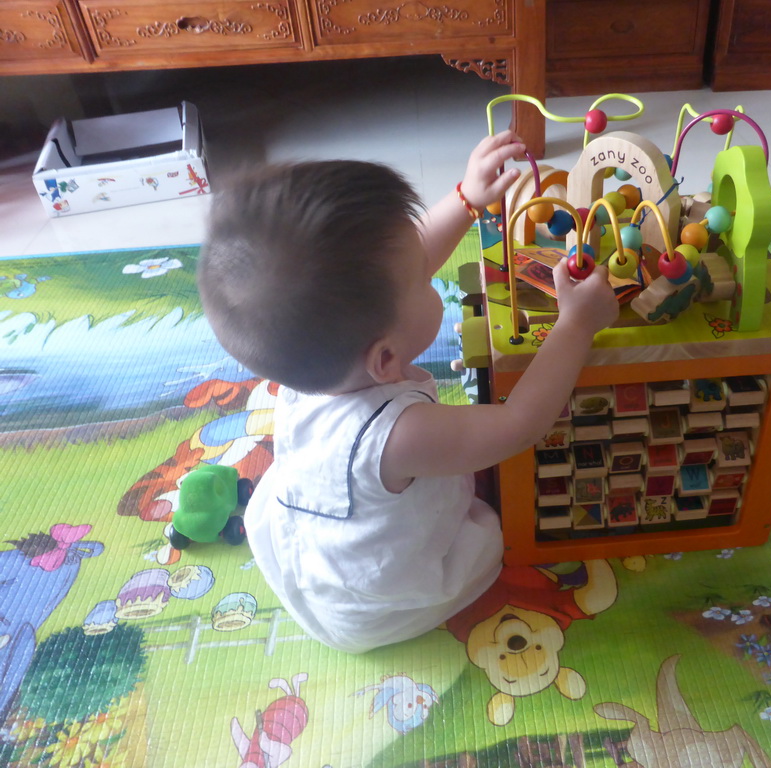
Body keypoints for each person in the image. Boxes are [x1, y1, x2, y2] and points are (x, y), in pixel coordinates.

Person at [197, 131, 620, 654]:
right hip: (375, 607)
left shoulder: (308, 360)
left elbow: (403, 260)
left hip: (308, 549)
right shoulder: (402, 434)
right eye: (425, 282)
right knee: (491, 535)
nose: (429, 271)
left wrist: (467, 198)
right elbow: (521, 425)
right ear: (385, 361)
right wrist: (576, 325)